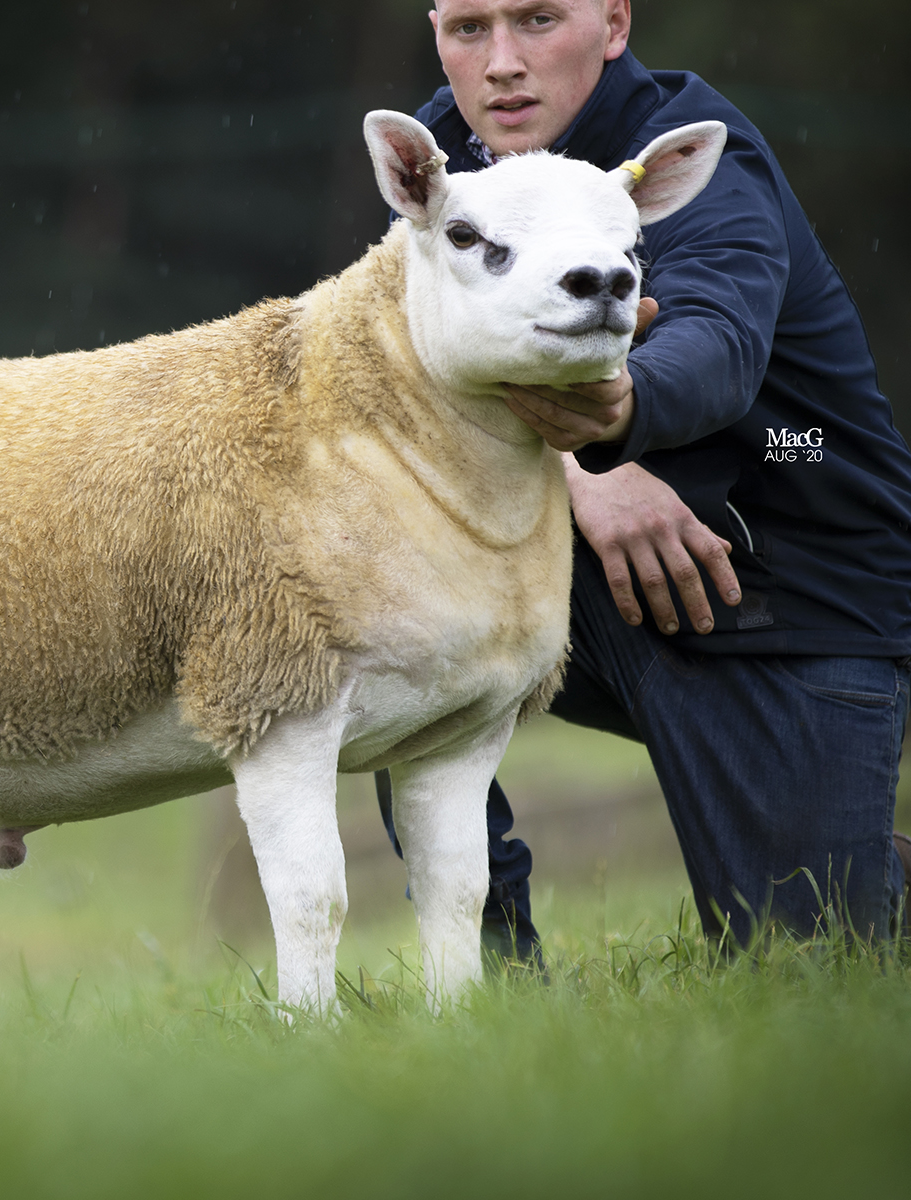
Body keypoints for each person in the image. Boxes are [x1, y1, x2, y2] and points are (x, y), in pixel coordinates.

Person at [375, 0, 911, 959]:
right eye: (469, 29)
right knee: (390, 605)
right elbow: (415, 357)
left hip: (794, 532)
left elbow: (718, 337)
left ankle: (858, 874)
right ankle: (489, 989)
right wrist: (586, 469)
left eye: (538, 20)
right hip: (601, 587)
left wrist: (616, 420)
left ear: (614, 22)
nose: (501, 64)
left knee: (806, 961)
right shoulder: (447, 161)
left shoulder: (696, 155)